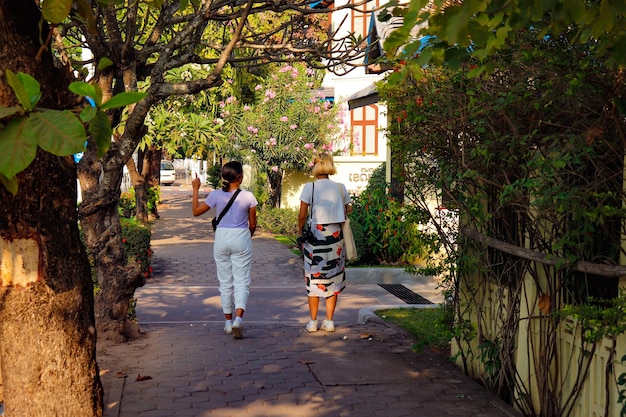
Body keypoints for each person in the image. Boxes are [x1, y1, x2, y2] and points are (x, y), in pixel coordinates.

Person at [192, 161, 258, 339]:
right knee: (242, 280)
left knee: (225, 282)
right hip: (241, 237)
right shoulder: (249, 197)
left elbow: (196, 212)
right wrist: (247, 236)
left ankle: (228, 322)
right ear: (241, 177)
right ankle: (238, 319)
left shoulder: (215, 195)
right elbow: (253, 224)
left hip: (221, 238)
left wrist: (196, 189)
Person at [297, 153, 351, 333]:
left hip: (315, 237)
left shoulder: (309, 187)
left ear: (315, 166)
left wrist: (300, 230)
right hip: (335, 238)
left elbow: (302, 214)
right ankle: (329, 321)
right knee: (333, 277)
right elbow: (346, 210)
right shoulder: (340, 188)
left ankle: (312, 322)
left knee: (314, 277)